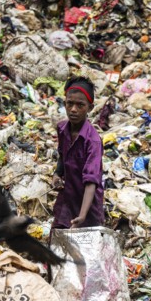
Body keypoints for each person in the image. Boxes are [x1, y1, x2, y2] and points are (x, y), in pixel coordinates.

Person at [52, 76, 104, 229]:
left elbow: (91, 181)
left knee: (86, 246)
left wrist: (82, 215)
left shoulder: (92, 141)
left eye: (80, 105)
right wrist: (57, 174)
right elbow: (62, 154)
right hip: (67, 199)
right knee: (57, 242)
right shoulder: (62, 129)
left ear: (90, 107)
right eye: (70, 103)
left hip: (87, 206)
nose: (73, 109)